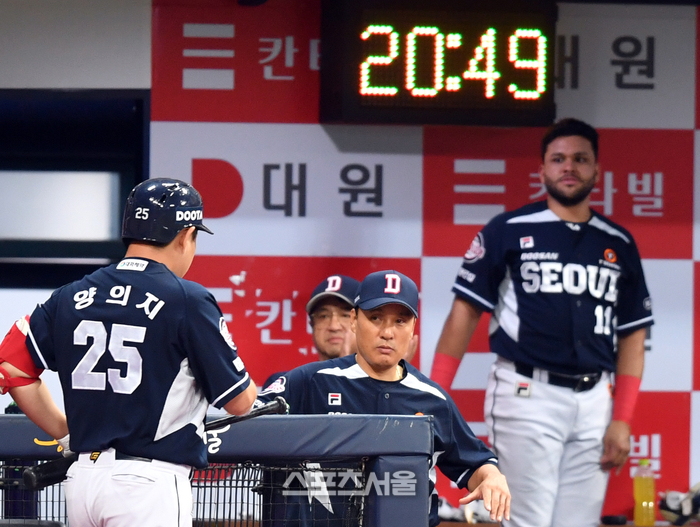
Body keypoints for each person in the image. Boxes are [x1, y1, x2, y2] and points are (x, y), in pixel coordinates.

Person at [430, 118, 653, 527]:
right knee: (526, 521)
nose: (569, 167)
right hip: (527, 394)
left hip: (594, 400)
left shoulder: (618, 242)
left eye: (580, 159)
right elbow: (464, 313)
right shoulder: (508, 230)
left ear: (596, 170)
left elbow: (633, 335)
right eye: (559, 159)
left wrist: (622, 418)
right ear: (542, 170)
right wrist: (435, 395)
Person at [0, 178, 258, 527]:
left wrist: (64, 433)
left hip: (83, 482)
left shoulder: (70, 295)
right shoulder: (187, 299)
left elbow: (11, 365)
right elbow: (240, 402)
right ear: (185, 236)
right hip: (147, 486)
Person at [260, 269, 511, 526]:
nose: (387, 332)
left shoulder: (432, 399)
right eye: (376, 318)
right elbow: (247, 422)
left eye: (400, 321)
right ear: (355, 320)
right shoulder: (311, 380)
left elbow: (476, 463)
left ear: (413, 328)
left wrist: (491, 475)